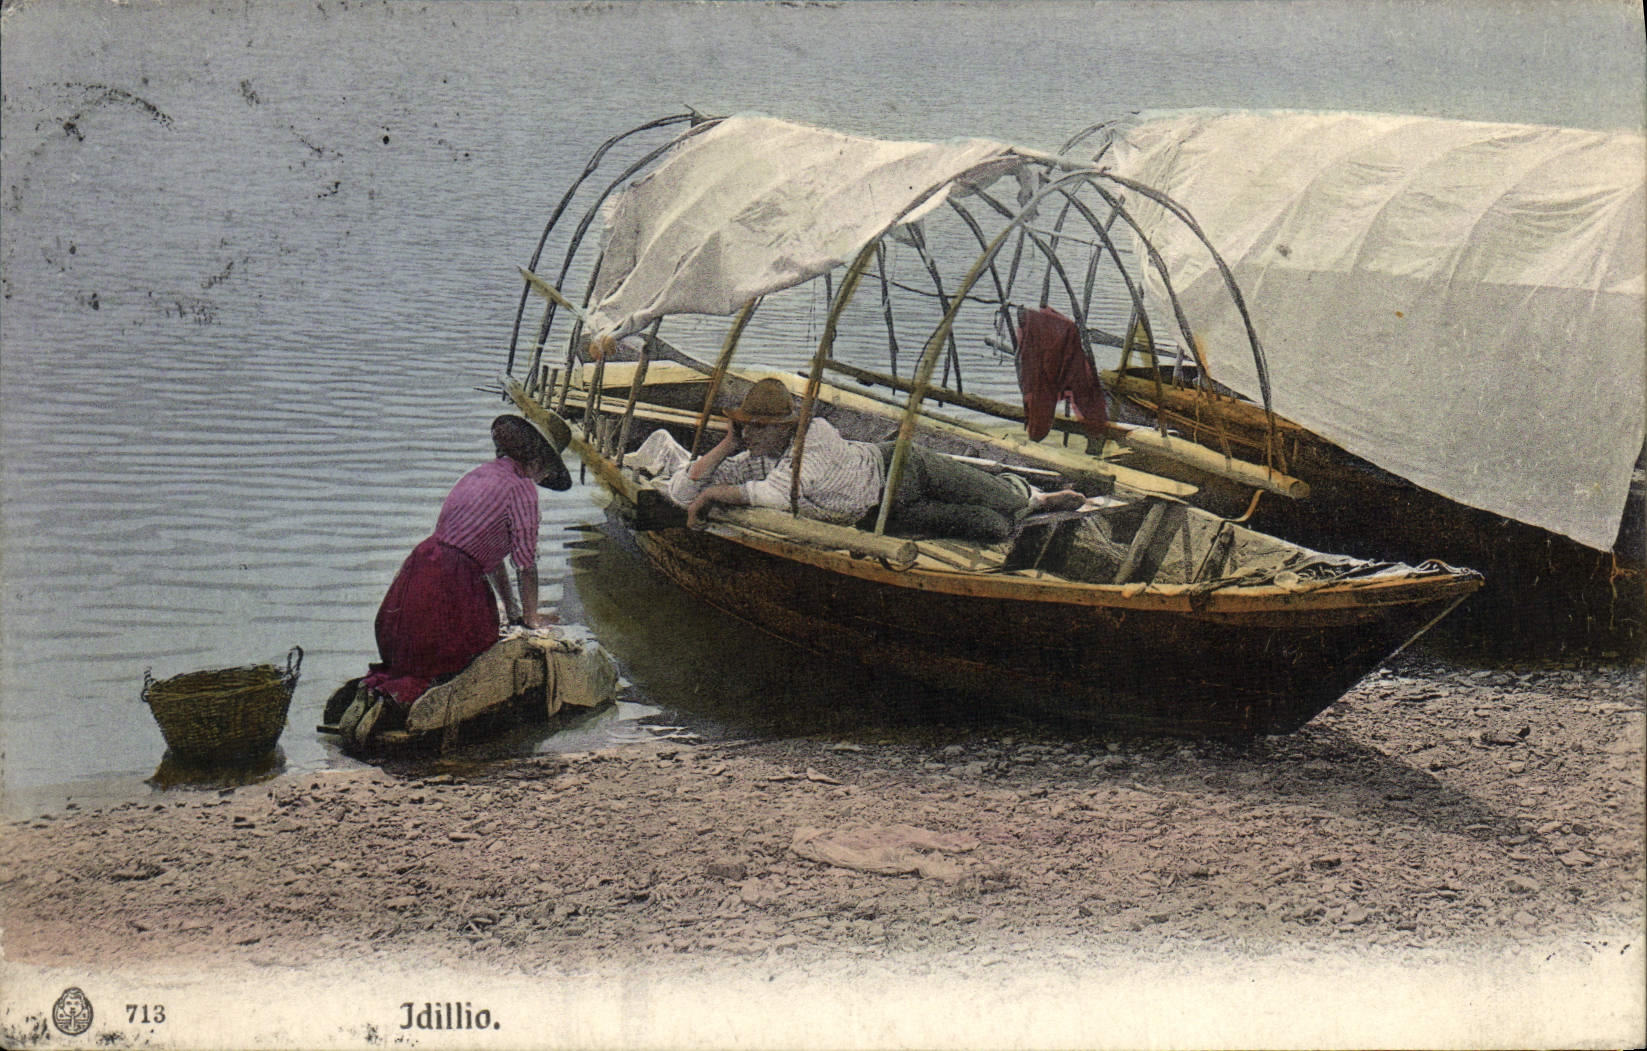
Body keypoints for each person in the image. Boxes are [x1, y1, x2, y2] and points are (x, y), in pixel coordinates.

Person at [629, 378, 1086, 542]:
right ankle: (1022, 504)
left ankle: (1034, 495)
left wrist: (712, 494)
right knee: (993, 528)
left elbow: (775, 496)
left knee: (1007, 502)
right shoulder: (753, 458)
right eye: (744, 427)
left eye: (757, 427)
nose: (749, 434)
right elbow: (680, 491)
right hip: (878, 510)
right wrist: (726, 446)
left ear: (782, 428)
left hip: (901, 467)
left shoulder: (815, 436)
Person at [358, 415, 571, 717]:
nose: (543, 478)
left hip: (419, 568)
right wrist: (531, 618)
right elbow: (526, 566)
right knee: (468, 651)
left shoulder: (479, 474)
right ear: (537, 461)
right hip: (453, 582)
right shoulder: (523, 488)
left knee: (416, 653)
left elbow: (492, 561)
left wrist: (514, 612)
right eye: (546, 470)